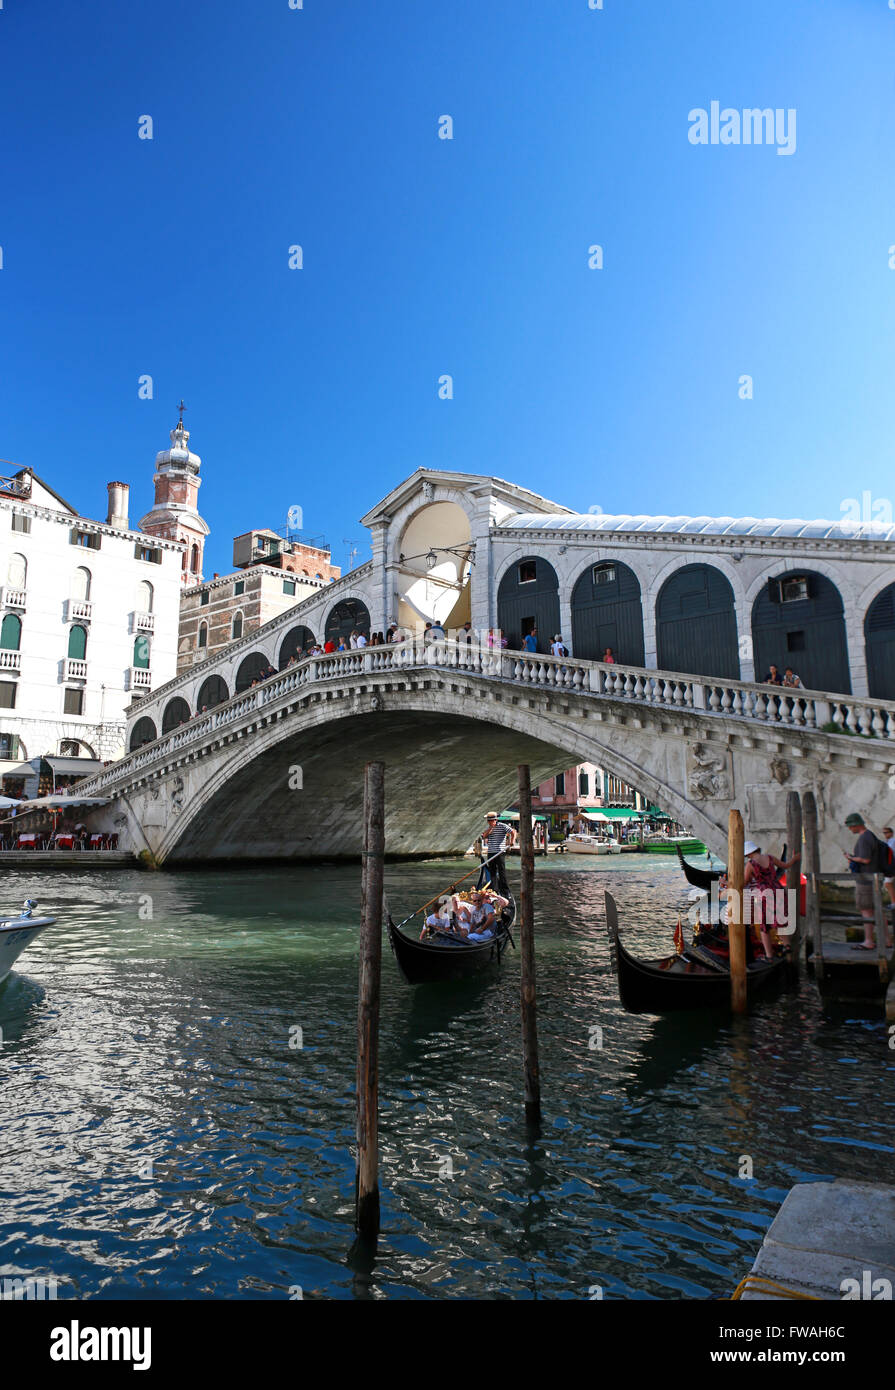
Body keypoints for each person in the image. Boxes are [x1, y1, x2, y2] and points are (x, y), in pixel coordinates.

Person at [743, 839, 801, 959]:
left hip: (764, 893)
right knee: (780, 920)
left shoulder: (750, 865)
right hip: (777, 889)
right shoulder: (769, 857)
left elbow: (744, 882)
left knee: (764, 927)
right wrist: (795, 859)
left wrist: (726, 883)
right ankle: (787, 945)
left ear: (747, 853)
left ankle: (769, 955)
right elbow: (785, 866)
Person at [844, 813, 894, 950]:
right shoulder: (870, 836)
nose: (850, 829)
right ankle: (887, 941)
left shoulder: (865, 838)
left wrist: (851, 858)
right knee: (878, 910)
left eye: (850, 826)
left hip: (866, 880)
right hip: (873, 879)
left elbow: (865, 860)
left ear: (856, 824)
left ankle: (868, 941)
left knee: (866, 910)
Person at [482, 811, 513, 897]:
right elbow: (484, 836)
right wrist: (490, 829)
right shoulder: (488, 828)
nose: (488, 822)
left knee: (502, 872)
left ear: (495, 820)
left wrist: (512, 841)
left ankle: (505, 891)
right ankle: (494, 890)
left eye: (490, 821)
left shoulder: (503, 826)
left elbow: (513, 831)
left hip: (500, 852)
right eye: (488, 821)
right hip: (491, 852)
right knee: (492, 872)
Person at [883, 825, 895, 909]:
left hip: (892, 865)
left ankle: (893, 903)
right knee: (888, 883)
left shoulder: (893, 841)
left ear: (891, 833)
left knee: (887, 883)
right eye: (884, 833)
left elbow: (889, 851)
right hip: (890, 865)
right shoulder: (888, 842)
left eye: (886, 832)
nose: (885, 834)